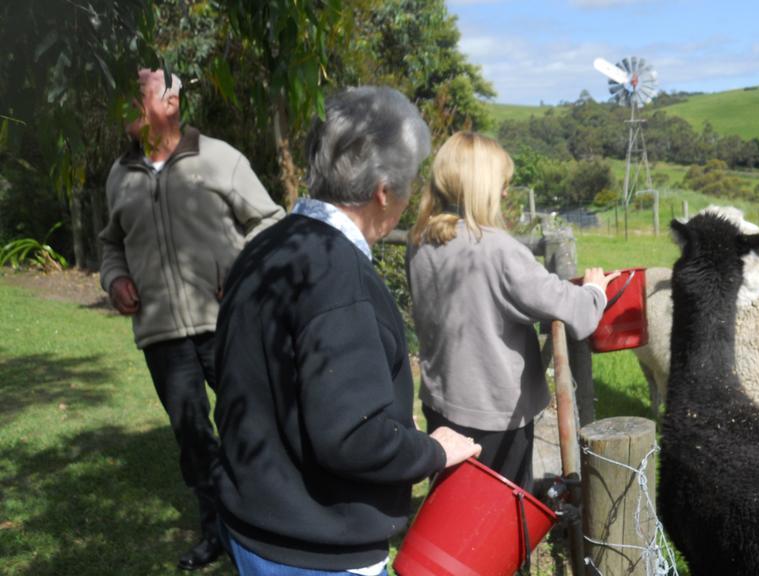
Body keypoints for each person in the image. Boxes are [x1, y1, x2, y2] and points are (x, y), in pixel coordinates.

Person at [211, 87, 482, 576]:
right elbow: (354, 436)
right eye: (410, 183)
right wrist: (434, 450)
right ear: (383, 192)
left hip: (253, 526)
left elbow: (235, 370)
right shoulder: (340, 276)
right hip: (315, 550)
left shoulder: (265, 245)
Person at [98, 68, 285, 570]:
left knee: (255, 422)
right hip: (161, 335)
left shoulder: (220, 159)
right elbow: (110, 244)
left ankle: (277, 520)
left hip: (227, 325)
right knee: (193, 440)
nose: (127, 110)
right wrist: (114, 280)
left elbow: (271, 221)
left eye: (136, 99)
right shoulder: (120, 175)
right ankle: (219, 533)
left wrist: (243, 269)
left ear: (171, 104)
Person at [407, 131, 618, 493]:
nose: (506, 193)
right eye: (502, 184)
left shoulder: (422, 241)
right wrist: (596, 291)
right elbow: (572, 310)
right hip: (495, 416)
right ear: (481, 188)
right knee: (500, 515)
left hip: (441, 401)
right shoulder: (499, 251)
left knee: (451, 505)